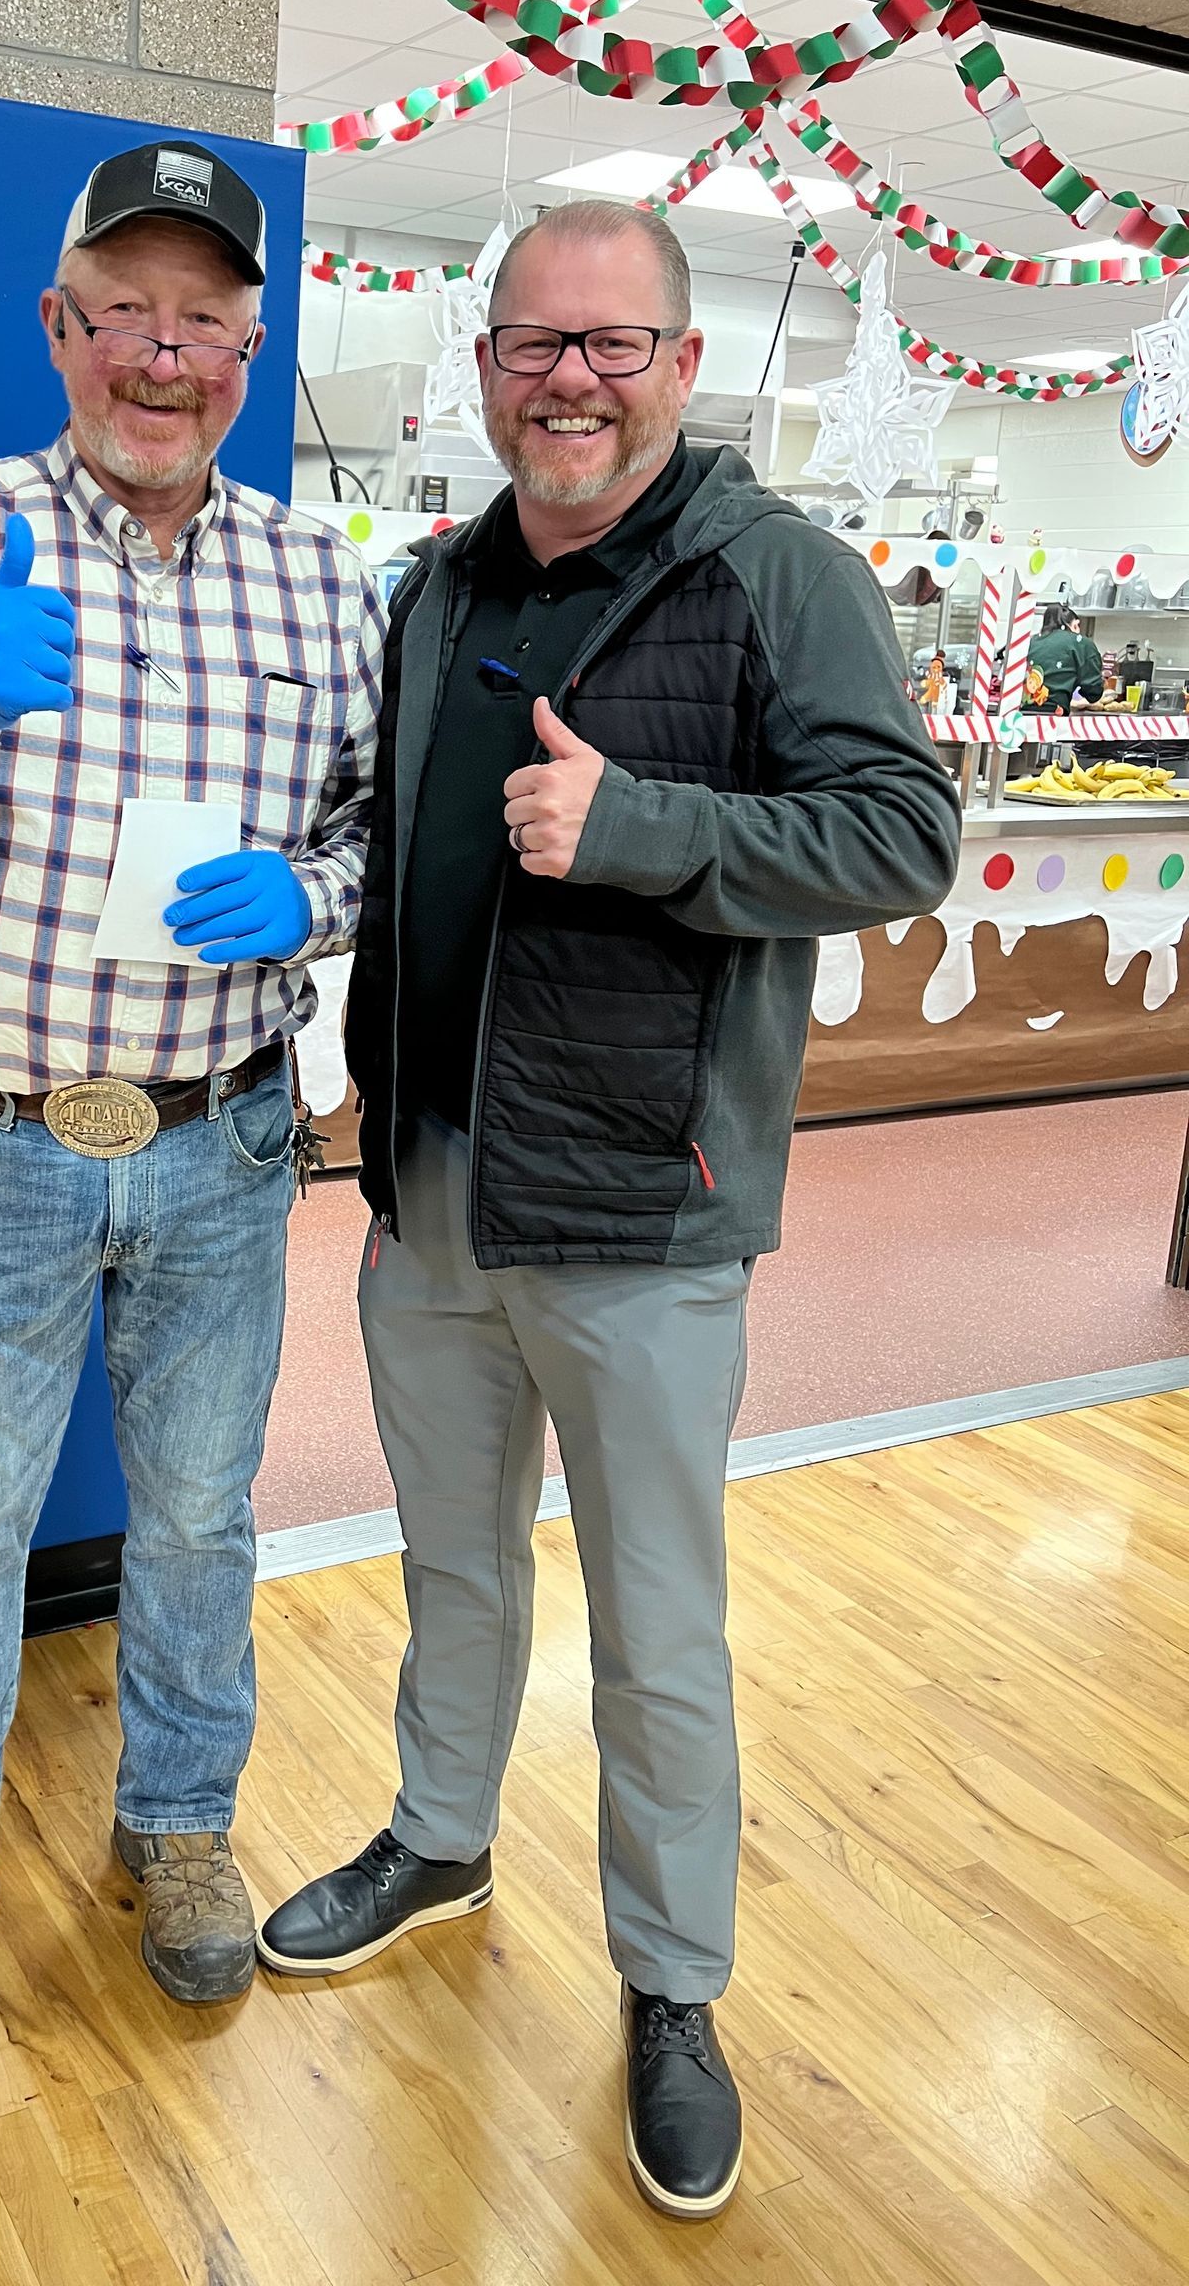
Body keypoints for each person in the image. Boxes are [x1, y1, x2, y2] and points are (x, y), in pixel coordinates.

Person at [257, 202, 960, 2220]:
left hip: (647, 1214)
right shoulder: (434, 588)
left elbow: (899, 830)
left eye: (613, 343)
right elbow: (392, 849)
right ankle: (440, 1832)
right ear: (484, 366)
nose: (570, 378)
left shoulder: (775, 577)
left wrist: (641, 824)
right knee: (455, 1570)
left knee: (660, 1628)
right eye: (534, 345)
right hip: (435, 1195)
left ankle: (672, 1982)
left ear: (679, 360)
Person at [0, 140, 383, 2078]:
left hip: (224, 1135)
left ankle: (180, 1826)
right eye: (127, 309)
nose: (164, 351)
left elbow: (381, 828)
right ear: (60, 327)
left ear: (250, 347)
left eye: (205, 318)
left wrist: (321, 895)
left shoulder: (316, 576)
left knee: (203, 1517)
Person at [1025, 603, 1102, 712]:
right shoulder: (1080, 643)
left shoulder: (1030, 641)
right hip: (1053, 716)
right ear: (1074, 625)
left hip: (1017, 716)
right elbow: (1093, 692)